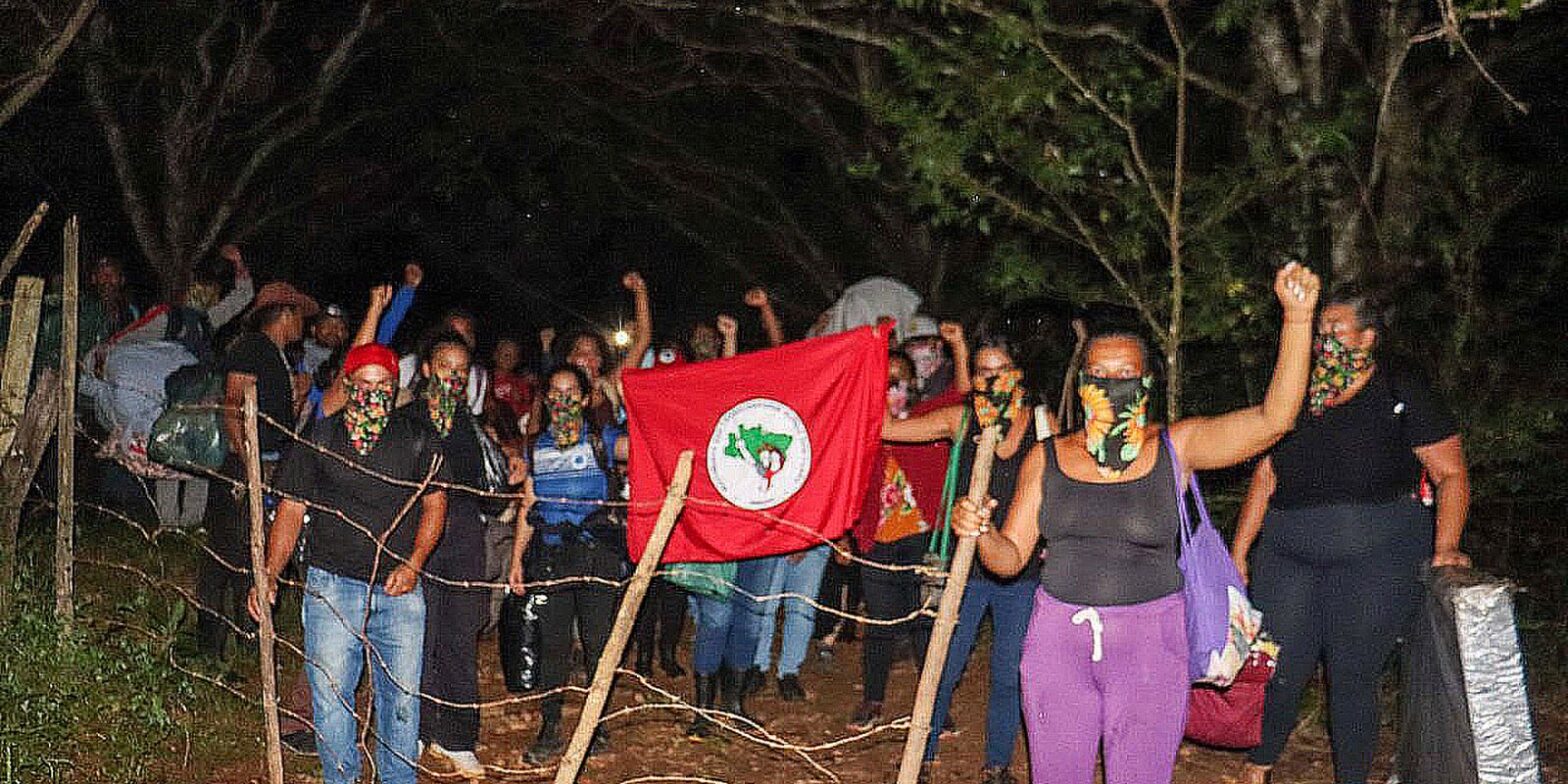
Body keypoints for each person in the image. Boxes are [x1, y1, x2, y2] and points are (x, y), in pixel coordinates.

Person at [951, 263, 1321, 784]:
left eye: (1125, 375)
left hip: (1151, 643)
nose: (1111, 384)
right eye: (1099, 375)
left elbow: (1273, 420)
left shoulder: (1177, 447)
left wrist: (1299, 320)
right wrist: (980, 530)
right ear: (1082, 384)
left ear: (1147, 381)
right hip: (1057, 641)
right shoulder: (1047, 457)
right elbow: (1008, 559)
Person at [1231, 287, 1471, 784]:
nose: (1323, 340)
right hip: (1288, 553)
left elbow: (1450, 473)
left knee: (1353, 677)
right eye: (1319, 332)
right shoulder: (1298, 391)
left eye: (1334, 329)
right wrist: (1239, 551)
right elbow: (1265, 476)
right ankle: (1258, 766)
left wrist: (1446, 545)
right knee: (1279, 668)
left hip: (1378, 557)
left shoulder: (1399, 389)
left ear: (1368, 336)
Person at [248, 343, 449, 784]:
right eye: (365, 384)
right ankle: (341, 778)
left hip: (399, 591)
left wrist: (415, 563)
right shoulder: (319, 439)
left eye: (384, 386)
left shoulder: (418, 438)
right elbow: (290, 511)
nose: (373, 393)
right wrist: (269, 575)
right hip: (332, 588)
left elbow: (436, 506)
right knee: (331, 696)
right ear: (348, 384)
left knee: (400, 700)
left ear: (395, 389)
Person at [883, 331, 1051, 784]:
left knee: (1009, 672)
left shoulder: (1041, 423)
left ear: (1018, 374)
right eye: (982, 372)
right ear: (972, 377)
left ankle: (998, 764)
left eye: (1000, 371)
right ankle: (924, 751)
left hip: (1023, 571)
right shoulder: (961, 420)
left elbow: (1059, 487)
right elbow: (887, 428)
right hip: (965, 569)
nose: (991, 381)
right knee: (944, 663)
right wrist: (875, 366)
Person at [507, 364, 632, 763]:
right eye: (554, 392)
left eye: (570, 393)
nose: (562, 400)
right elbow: (529, 505)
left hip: (598, 553)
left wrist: (623, 399)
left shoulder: (602, 440)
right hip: (552, 555)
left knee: (597, 643)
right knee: (553, 644)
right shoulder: (537, 448)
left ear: (582, 398)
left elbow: (642, 442)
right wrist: (516, 561)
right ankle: (550, 727)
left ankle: (596, 726)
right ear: (545, 399)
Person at [414, 331, 521, 778]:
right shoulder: (406, 421)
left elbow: (491, 493)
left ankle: (458, 737)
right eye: (445, 368)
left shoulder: (472, 427)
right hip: (415, 539)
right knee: (418, 635)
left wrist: (511, 461)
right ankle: (416, 729)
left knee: (458, 635)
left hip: (461, 540)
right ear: (425, 370)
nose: (453, 378)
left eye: (461, 371)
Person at [195, 281, 316, 659]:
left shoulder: (278, 356)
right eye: (299, 316)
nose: (304, 326)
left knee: (250, 551)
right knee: (229, 554)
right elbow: (234, 405)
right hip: (246, 468)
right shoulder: (251, 349)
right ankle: (214, 643)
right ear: (285, 313)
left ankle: (246, 639)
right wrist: (249, 464)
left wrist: (296, 396)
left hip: (267, 464)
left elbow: (277, 419)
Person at [845, 351, 938, 731]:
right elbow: (848, 484)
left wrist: (959, 345)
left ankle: (934, 704)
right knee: (880, 624)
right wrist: (847, 536)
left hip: (920, 537)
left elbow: (964, 393)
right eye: (886, 381)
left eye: (900, 381)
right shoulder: (860, 424)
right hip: (877, 539)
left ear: (912, 384)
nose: (893, 389)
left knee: (923, 624)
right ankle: (873, 698)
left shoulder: (926, 420)